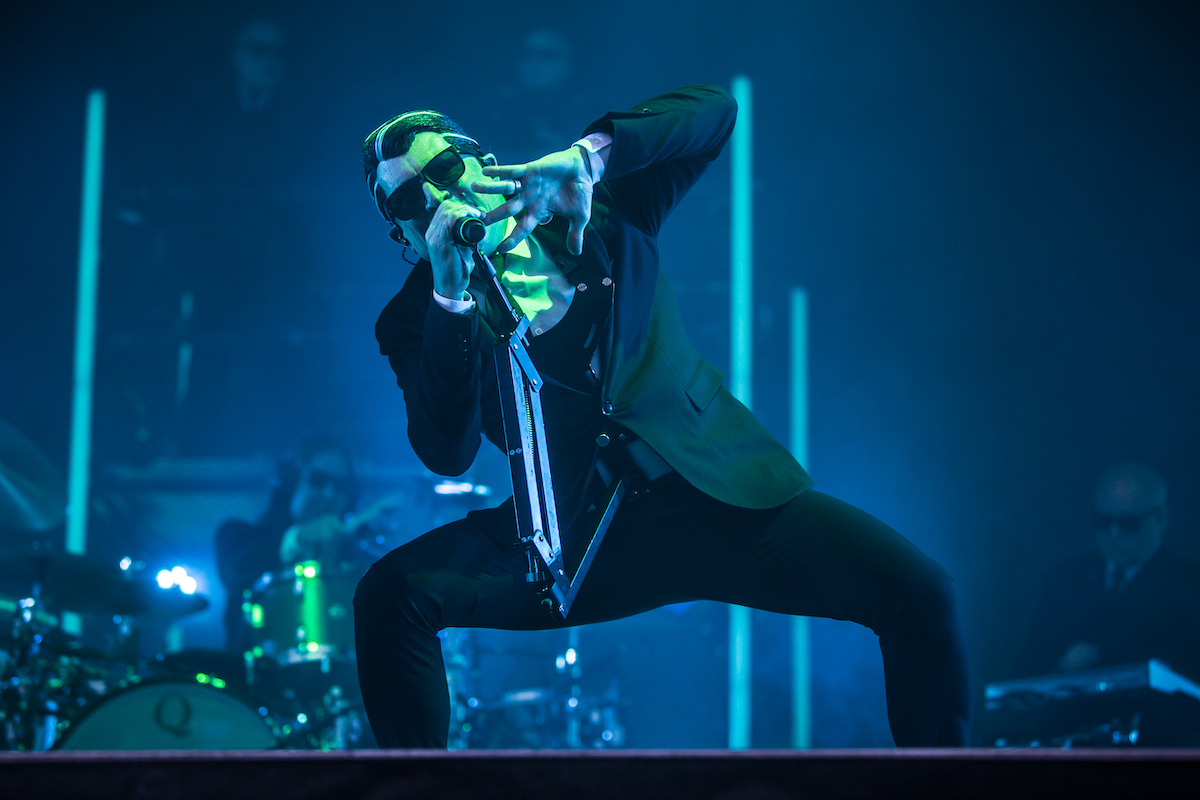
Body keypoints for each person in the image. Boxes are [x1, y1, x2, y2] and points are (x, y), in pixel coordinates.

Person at [353, 85, 970, 748]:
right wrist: (450, 296)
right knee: (392, 595)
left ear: (483, 161)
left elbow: (713, 114)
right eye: (408, 202)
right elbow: (446, 451)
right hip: (579, 541)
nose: (436, 198)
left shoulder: (596, 210)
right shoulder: (414, 317)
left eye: (444, 170)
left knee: (918, 591)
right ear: (404, 236)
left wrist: (589, 157)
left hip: (715, 495)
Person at [1016, 463, 1200, 680]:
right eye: (1103, 522)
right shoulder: (1065, 578)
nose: (1114, 533)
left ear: (1161, 517)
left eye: (1129, 523)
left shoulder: (1188, 585)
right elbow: (1030, 665)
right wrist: (1061, 670)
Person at [215, 435, 361, 652]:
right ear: (289, 482)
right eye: (318, 480)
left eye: (340, 485)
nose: (330, 493)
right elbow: (234, 572)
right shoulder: (238, 534)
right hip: (251, 671)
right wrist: (301, 537)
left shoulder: (353, 552)